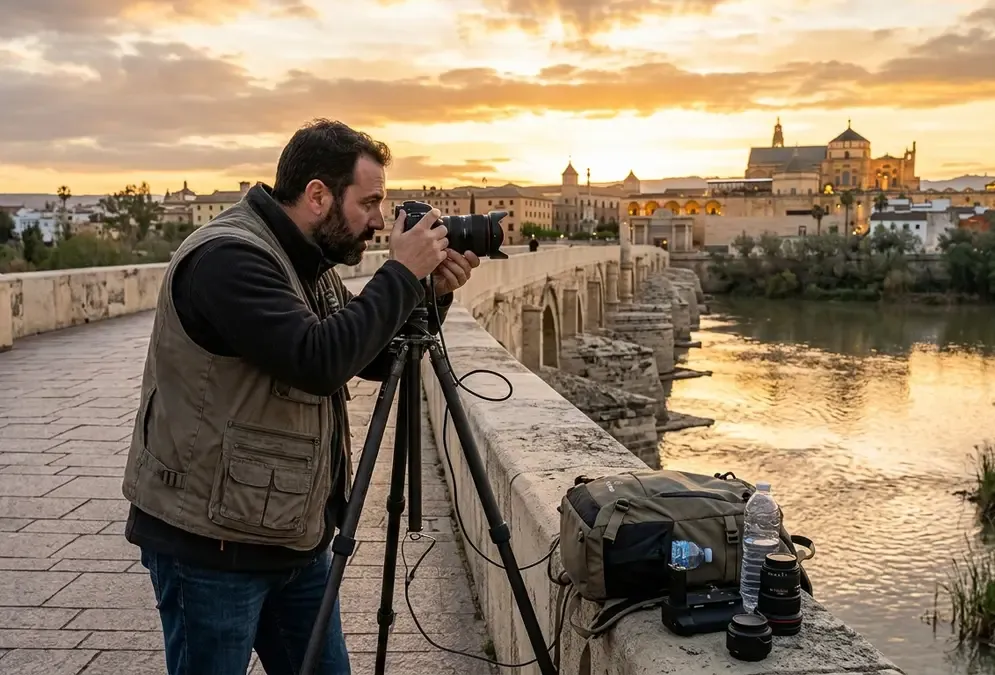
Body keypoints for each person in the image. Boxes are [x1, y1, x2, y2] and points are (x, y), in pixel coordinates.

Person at [120, 118, 480, 675]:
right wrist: (400, 273)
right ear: (318, 195)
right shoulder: (229, 258)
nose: (380, 221)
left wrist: (426, 291)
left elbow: (371, 360)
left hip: (294, 534)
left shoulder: (308, 263)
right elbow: (318, 361)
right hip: (211, 544)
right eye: (370, 202)